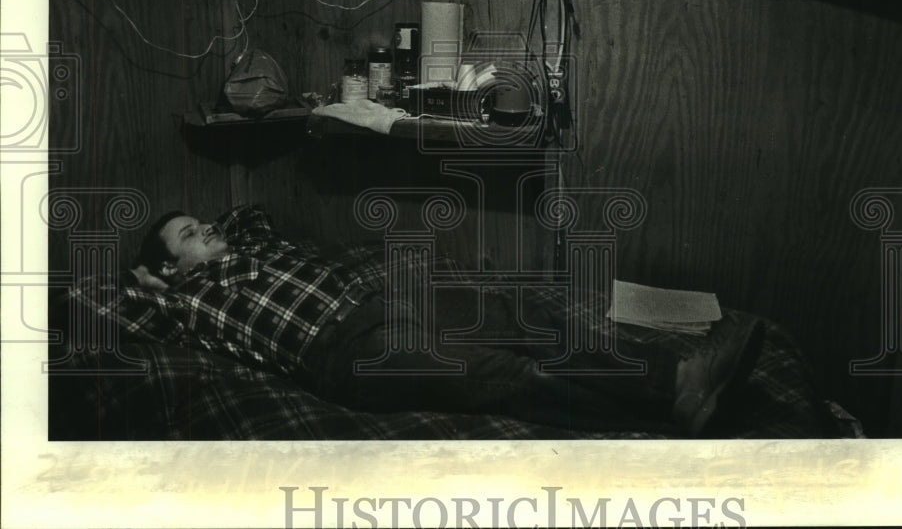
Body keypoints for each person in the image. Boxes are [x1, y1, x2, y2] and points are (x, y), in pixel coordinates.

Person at [81, 204, 764, 437]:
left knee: (514, 312)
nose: (207, 232)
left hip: (382, 300)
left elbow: (248, 216)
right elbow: (113, 306)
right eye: (189, 236)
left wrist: (213, 232)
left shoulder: (253, 242)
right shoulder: (186, 301)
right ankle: (671, 392)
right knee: (491, 372)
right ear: (170, 268)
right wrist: (153, 277)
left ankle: (676, 381)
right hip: (341, 349)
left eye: (203, 224)